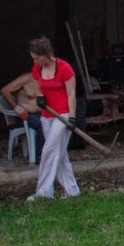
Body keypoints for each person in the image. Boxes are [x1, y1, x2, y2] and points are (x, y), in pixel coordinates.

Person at [27, 36, 81, 201]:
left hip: (63, 115)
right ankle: (72, 191)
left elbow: (71, 94)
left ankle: (43, 192)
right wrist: (40, 97)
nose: (35, 61)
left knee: (49, 150)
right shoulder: (37, 68)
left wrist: (72, 118)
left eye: (37, 58)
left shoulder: (65, 68)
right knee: (60, 153)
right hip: (47, 115)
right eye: (33, 59)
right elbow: (37, 87)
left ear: (46, 54)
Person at [0, 72, 45, 162]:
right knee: (42, 124)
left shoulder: (50, 79)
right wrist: (17, 108)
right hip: (25, 115)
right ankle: (40, 157)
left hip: (42, 113)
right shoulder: (26, 78)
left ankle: (57, 155)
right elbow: (5, 90)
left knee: (56, 123)